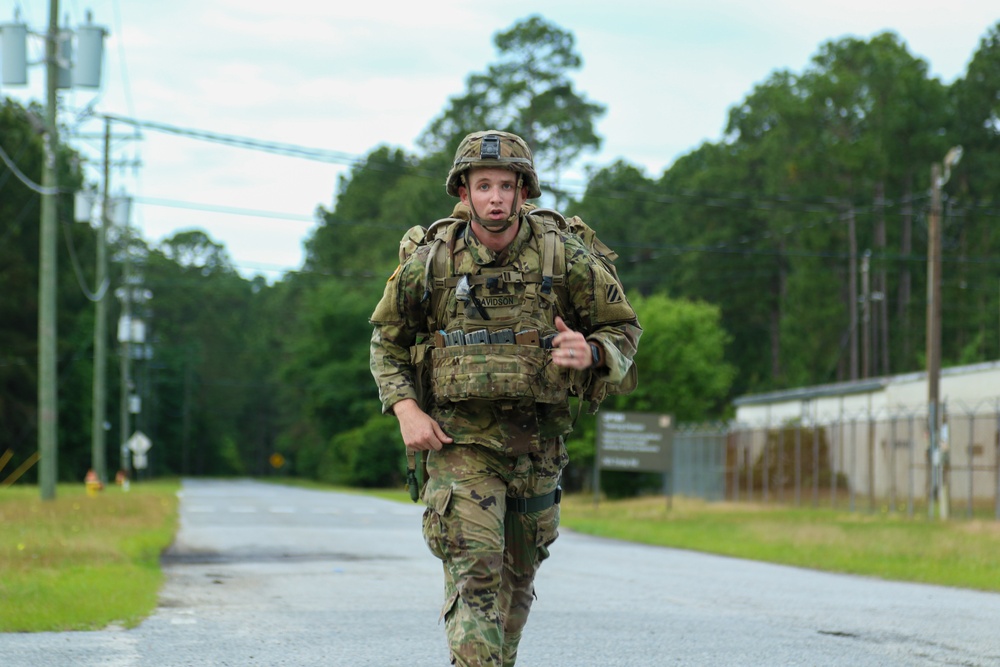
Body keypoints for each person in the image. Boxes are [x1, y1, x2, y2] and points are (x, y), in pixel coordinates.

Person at [369, 130, 641, 666]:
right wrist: (407, 410)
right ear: (463, 192)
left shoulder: (563, 256)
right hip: (459, 441)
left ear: (523, 191)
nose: (495, 197)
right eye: (483, 185)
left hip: (538, 445)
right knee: (477, 576)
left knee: (514, 593)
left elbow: (624, 330)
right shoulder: (432, 262)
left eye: (506, 186)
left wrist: (590, 352)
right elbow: (386, 341)